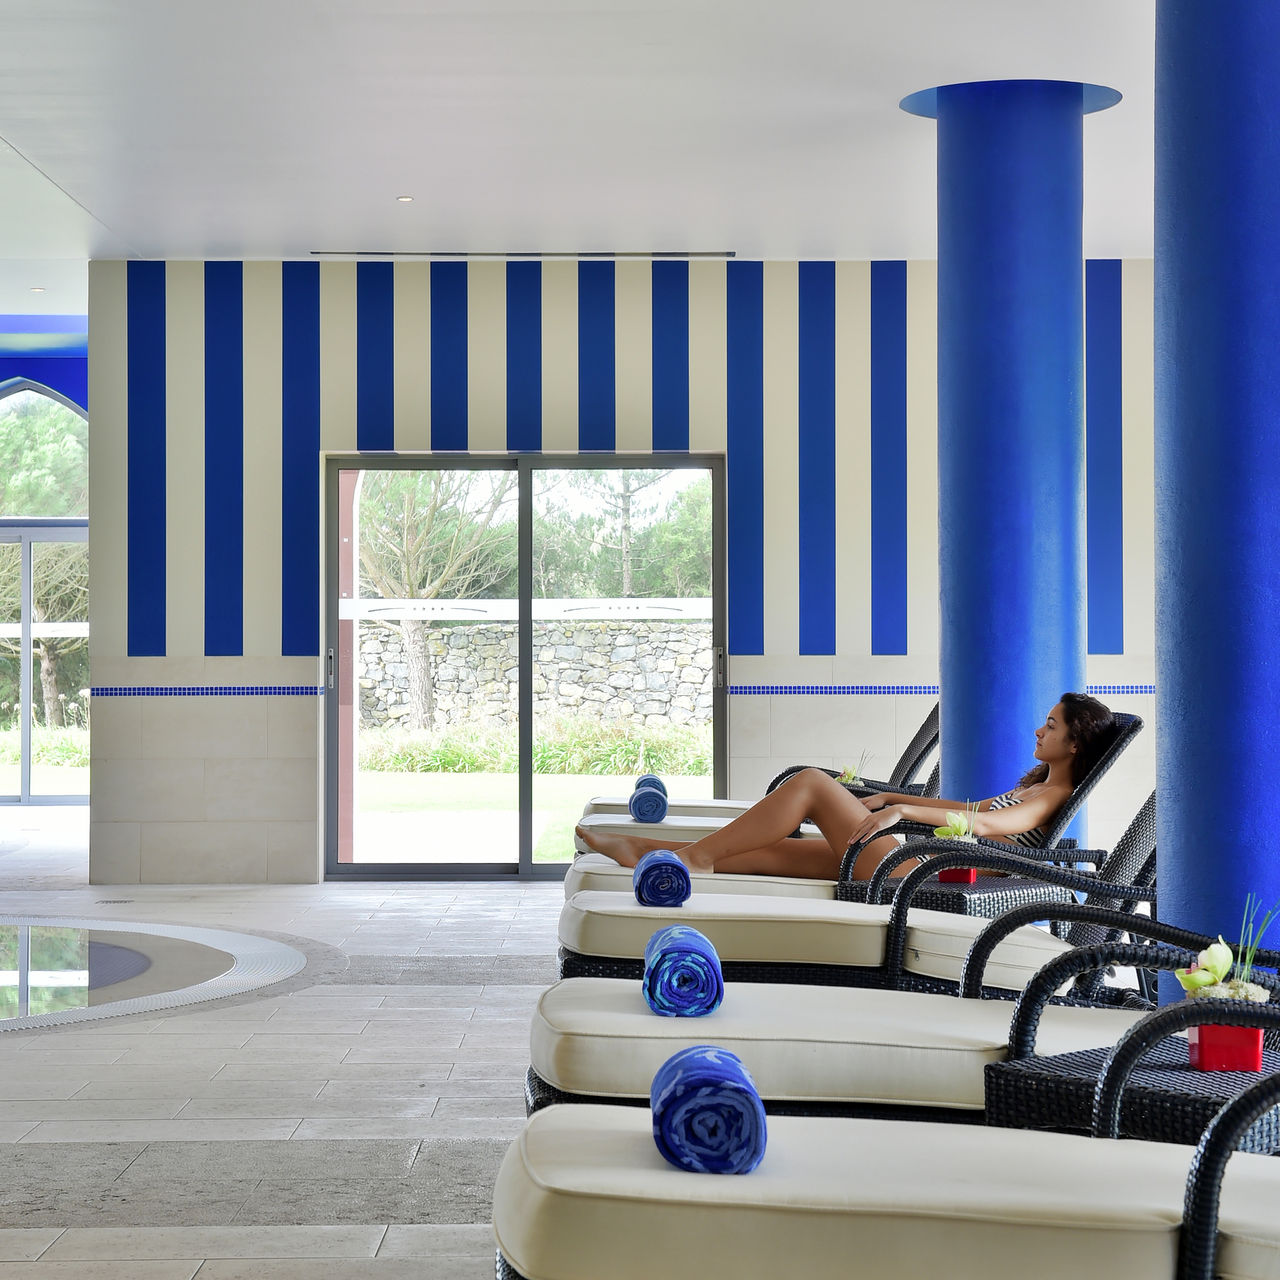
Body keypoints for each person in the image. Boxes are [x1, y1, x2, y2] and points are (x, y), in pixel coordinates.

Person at [575, 693, 1117, 882]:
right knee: (773, 854)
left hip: (921, 877)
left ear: (1074, 744)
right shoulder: (1036, 787)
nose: (1039, 730)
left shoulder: (1051, 797)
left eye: (1051, 726)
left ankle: (691, 859)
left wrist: (900, 814)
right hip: (915, 863)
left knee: (811, 783)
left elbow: (985, 823)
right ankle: (650, 852)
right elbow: (966, 807)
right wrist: (892, 799)